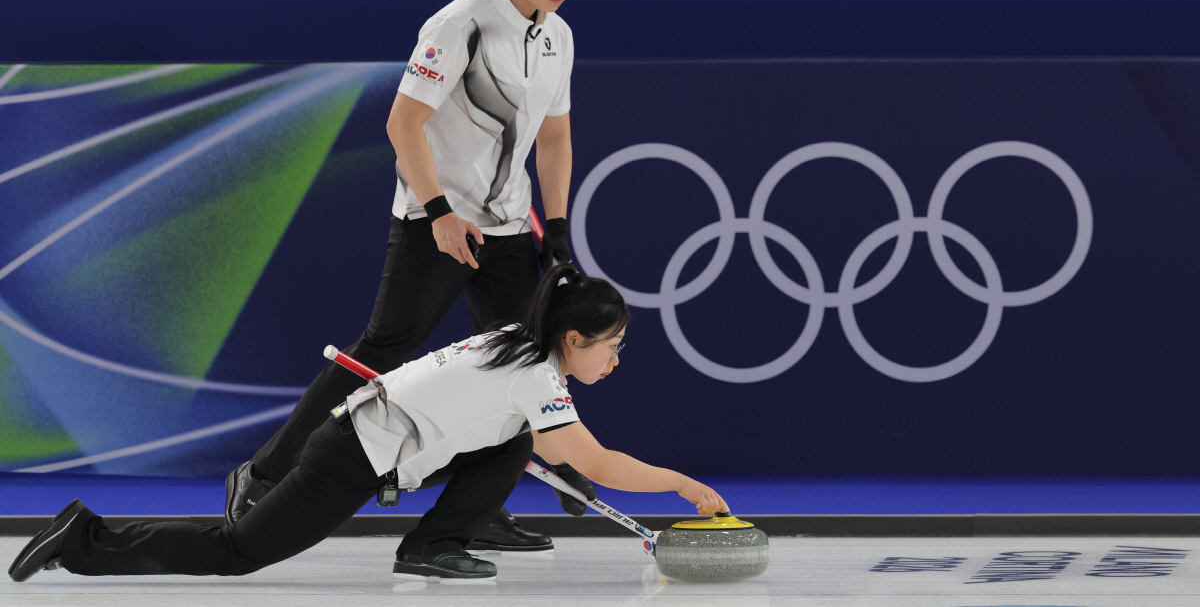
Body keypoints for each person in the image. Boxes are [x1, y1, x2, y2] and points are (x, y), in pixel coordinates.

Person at [224, 0, 584, 551]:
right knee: (380, 353)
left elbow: (554, 138)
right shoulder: (459, 26)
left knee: (515, 365)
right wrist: (441, 213)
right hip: (436, 220)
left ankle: (478, 511)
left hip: (507, 227)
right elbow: (402, 124)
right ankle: (261, 473)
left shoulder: (559, 36)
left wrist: (555, 226)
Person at [9, 265, 729, 583]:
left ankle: (433, 544)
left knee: (513, 442)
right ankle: (86, 540)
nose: (615, 360)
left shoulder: (519, 343)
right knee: (239, 552)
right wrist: (684, 486)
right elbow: (596, 464)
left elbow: (557, 450)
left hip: (376, 442)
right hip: (350, 453)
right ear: (575, 340)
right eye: (613, 347)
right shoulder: (532, 373)